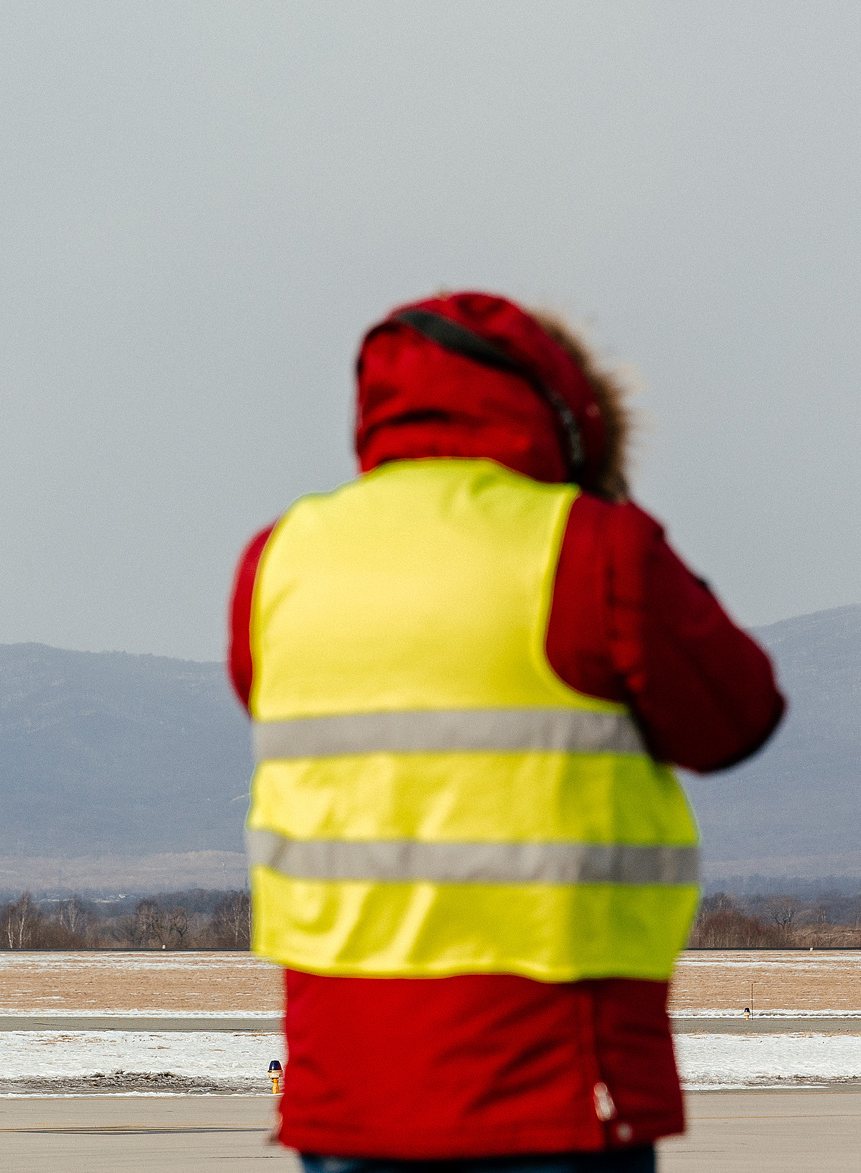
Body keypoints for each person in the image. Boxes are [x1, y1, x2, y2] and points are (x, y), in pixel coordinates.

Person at [227, 294, 784, 1171]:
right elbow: (737, 717)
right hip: (548, 1080)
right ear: (573, 414)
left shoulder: (280, 557)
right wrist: (614, 515)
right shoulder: (587, 548)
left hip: (343, 1092)